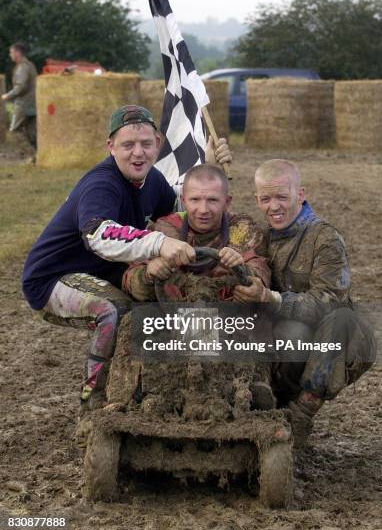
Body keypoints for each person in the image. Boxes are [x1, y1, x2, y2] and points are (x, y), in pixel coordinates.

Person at [22, 104, 232, 412]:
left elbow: (184, 209)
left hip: (104, 275)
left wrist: (210, 171)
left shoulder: (153, 180)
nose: (138, 153)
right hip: (53, 279)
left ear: (157, 144)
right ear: (110, 147)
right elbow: (98, 234)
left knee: (157, 304)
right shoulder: (101, 184)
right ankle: (92, 404)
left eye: (146, 144)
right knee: (114, 312)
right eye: (127, 145)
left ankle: (168, 389)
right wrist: (158, 243)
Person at [233, 159, 376, 447]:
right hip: (273, 347)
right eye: (265, 199)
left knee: (343, 320)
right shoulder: (257, 237)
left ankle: (300, 414)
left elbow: (327, 303)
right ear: (257, 199)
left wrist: (271, 298)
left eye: (282, 197)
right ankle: (255, 399)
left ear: (301, 194)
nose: (274, 206)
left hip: (319, 344)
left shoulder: (324, 238)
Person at [123, 163, 276, 409]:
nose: (203, 209)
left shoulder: (243, 229)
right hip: (172, 322)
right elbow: (132, 283)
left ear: (227, 201)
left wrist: (245, 271)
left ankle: (254, 386)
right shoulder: (163, 230)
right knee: (133, 321)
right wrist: (150, 273)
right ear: (183, 200)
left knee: (261, 316)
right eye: (195, 200)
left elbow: (260, 275)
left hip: (228, 324)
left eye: (212, 200)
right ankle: (131, 393)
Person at [1, 42, 37, 148]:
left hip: (23, 105)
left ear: (17, 53)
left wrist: (6, 96)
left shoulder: (22, 67)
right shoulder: (30, 65)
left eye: (11, 52)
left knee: (13, 131)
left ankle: (24, 153)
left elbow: (20, 87)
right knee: (32, 135)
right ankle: (35, 156)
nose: (10, 54)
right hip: (33, 104)